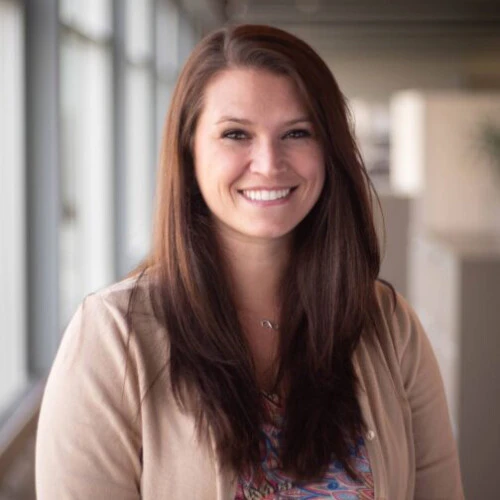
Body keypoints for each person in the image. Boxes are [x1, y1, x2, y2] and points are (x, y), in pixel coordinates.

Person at [36, 24, 464, 499]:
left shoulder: (389, 326)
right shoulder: (113, 337)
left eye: (297, 132)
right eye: (236, 134)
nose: (269, 162)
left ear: (329, 150)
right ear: (189, 152)